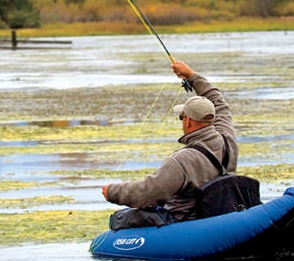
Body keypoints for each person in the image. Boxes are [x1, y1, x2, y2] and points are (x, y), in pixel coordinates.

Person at [102, 60, 238, 229]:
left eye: (182, 117)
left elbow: (149, 192)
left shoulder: (182, 160)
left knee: (121, 218)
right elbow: (218, 102)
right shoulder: (227, 139)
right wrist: (191, 76)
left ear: (187, 120)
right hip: (221, 215)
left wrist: (112, 192)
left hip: (188, 226)